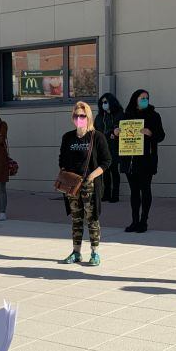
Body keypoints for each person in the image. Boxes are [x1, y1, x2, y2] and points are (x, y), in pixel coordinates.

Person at [58, 101, 111, 266]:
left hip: (90, 184)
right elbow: (62, 159)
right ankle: (76, 252)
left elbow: (106, 161)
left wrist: (91, 176)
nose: (79, 118)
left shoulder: (97, 136)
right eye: (76, 115)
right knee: (76, 219)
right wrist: (66, 174)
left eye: (82, 115)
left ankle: (95, 252)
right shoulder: (67, 137)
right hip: (72, 184)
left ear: (88, 117)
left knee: (92, 218)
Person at [117, 89, 166, 233]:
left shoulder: (154, 116)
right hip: (130, 160)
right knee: (134, 191)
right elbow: (113, 135)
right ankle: (134, 221)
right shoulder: (126, 116)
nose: (145, 100)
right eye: (142, 98)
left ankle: (144, 221)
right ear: (135, 99)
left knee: (145, 189)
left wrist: (150, 133)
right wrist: (115, 133)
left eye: (147, 98)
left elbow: (161, 135)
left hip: (147, 160)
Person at [96, 93, 124, 203]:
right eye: (102, 102)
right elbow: (96, 130)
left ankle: (115, 195)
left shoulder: (119, 114)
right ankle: (106, 194)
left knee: (114, 171)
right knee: (105, 172)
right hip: (102, 148)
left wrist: (112, 133)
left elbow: (119, 129)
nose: (104, 104)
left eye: (106, 102)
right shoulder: (100, 117)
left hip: (115, 147)